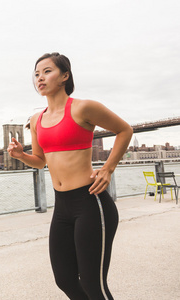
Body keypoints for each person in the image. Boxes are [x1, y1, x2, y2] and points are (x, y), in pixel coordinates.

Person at [7, 52, 133, 300]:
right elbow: (41, 161)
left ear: (65, 76)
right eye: (36, 74)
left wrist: (107, 168)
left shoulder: (83, 108)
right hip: (62, 206)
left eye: (47, 71)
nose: (40, 78)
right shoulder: (36, 120)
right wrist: (21, 155)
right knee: (64, 279)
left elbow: (124, 129)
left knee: (92, 284)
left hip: (90, 202)